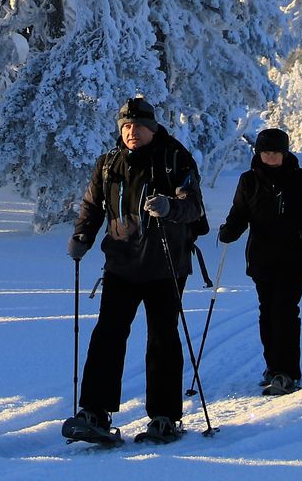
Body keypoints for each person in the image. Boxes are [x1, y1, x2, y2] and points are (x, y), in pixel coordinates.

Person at [63, 97, 207, 445]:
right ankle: (95, 412)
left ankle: (164, 416)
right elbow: (92, 204)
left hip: (166, 263)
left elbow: (194, 209)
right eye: (126, 127)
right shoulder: (109, 163)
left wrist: (171, 206)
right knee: (107, 335)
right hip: (121, 263)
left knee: (162, 338)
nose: (132, 132)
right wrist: (83, 233)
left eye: (138, 126)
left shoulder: (176, 158)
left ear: (152, 129)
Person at [217, 127, 302, 396]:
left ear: (285, 153)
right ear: (258, 153)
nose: (270, 157)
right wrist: (228, 232)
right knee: (267, 312)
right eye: (266, 152)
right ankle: (273, 368)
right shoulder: (248, 181)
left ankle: (287, 372)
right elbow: (239, 213)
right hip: (262, 257)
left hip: (295, 256)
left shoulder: (301, 178)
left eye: (275, 153)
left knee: (285, 310)